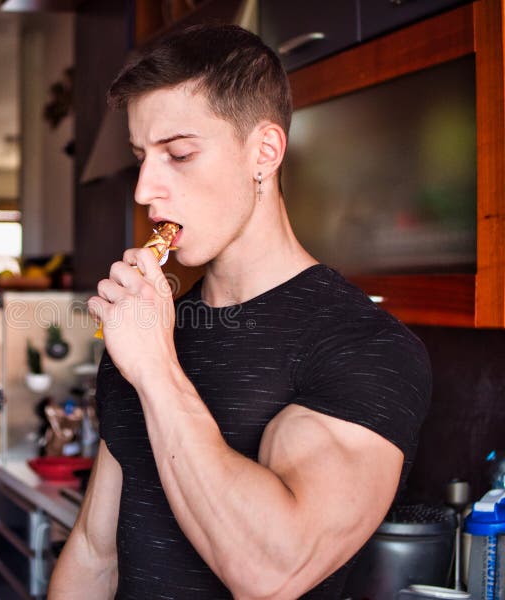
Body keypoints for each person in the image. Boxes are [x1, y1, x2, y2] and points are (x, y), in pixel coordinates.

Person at [48, 24, 431, 600]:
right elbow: (95, 553)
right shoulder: (148, 328)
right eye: (140, 157)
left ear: (265, 153)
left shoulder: (364, 345)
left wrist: (156, 371)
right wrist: (145, 356)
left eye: (179, 153)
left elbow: (271, 573)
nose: (145, 190)